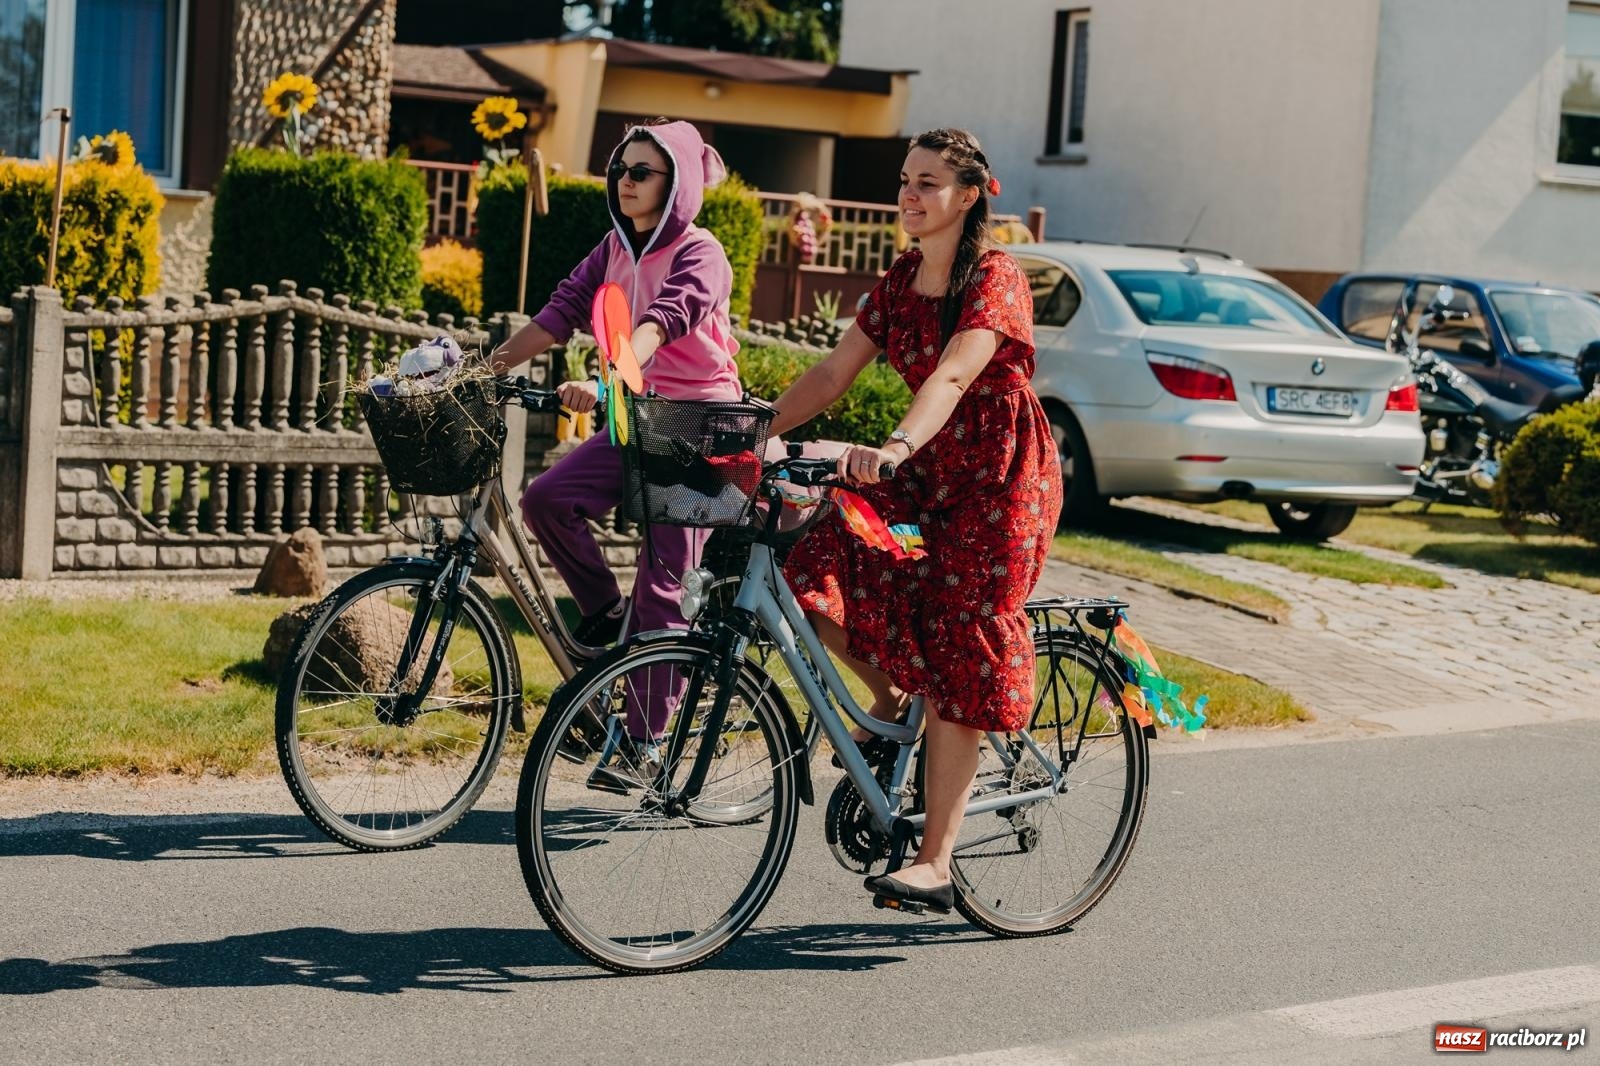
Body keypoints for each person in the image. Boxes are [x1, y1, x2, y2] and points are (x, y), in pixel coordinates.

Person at [768, 128, 1062, 913]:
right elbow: (833, 372)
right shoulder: (900, 280)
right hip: (927, 468)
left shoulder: (996, 279)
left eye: (928, 183)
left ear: (969, 196)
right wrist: (756, 430)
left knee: (961, 641)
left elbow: (959, 372)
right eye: (905, 180)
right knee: (816, 569)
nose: (910, 194)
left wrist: (893, 444)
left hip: (999, 480)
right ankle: (891, 700)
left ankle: (935, 859)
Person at [495, 119, 740, 775]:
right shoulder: (614, 247)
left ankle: (646, 745)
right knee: (546, 499)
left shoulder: (700, 251)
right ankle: (606, 613)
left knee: (662, 586)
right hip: (643, 418)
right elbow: (560, 312)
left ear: (676, 184)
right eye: (620, 171)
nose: (624, 182)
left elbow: (667, 321)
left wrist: (608, 381)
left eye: (641, 172)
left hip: (701, 429)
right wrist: (484, 368)